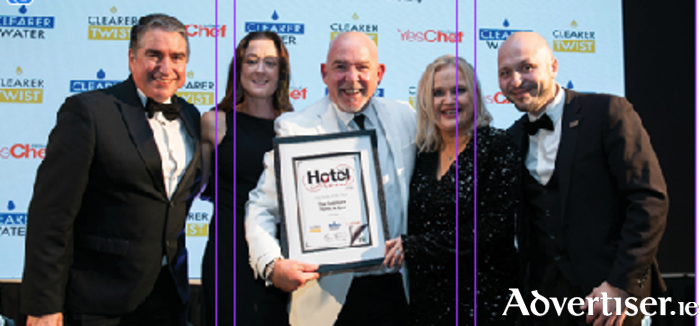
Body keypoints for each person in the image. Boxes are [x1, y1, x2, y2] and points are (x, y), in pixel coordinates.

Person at [20, 14, 202, 326]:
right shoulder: (89, 112)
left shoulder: (190, 116)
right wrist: (43, 305)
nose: (166, 67)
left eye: (177, 57)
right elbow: (51, 216)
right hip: (97, 302)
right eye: (154, 55)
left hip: (168, 299)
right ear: (132, 58)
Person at [245, 31, 416, 326]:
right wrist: (272, 265)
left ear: (380, 73)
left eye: (362, 67)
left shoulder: (407, 117)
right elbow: (261, 207)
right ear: (324, 73)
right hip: (327, 300)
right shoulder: (294, 128)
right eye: (340, 67)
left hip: (397, 291)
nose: (352, 78)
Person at [499, 32, 668, 325]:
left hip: (612, 301)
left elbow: (649, 201)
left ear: (553, 66)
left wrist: (619, 284)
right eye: (505, 73)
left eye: (527, 67)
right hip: (546, 307)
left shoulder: (607, 113)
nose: (515, 81)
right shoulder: (512, 139)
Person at [384, 55, 520, 325]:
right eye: (438, 93)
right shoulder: (423, 154)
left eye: (459, 90)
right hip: (427, 306)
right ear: (426, 101)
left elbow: (492, 229)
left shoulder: (497, 146)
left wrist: (413, 247)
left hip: (484, 305)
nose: (448, 101)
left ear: (475, 95)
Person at [200, 31, 292, 326]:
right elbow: (192, 189)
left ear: (281, 72)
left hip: (278, 259)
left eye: (270, 62)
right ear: (238, 68)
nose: (260, 70)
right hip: (227, 254)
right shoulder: (214, 123)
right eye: (251, 61)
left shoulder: (293, 127)